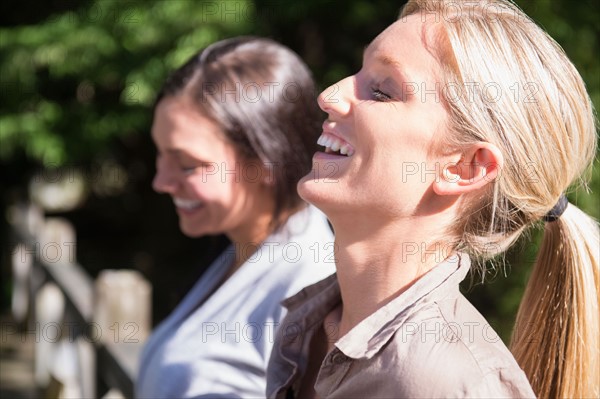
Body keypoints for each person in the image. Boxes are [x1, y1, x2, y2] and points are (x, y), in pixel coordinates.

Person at [266, 1, 599, 398]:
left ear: (464, 167)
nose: (329, 95)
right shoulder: (308, 328)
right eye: (359, 73)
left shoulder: (446, 385)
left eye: (381, 91)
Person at [135, 37, 335, 398]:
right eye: (160, 155)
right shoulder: (241, 249)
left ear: (266, 163)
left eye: (187, 165)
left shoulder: (309, 291)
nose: (160, 182)